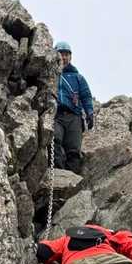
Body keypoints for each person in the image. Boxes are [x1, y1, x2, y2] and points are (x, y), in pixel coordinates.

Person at [53, 41, 93, 174]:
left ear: (70, 57)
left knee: (73, 149)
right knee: (55, 140)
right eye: (61, 54)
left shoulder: (77, 78)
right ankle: (58, 173)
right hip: (56, 115)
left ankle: (71, 179)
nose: (64, 57)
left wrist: (89, 113)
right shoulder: (50, 74)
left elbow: (86, 96)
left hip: (74, 116)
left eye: (66, 55)